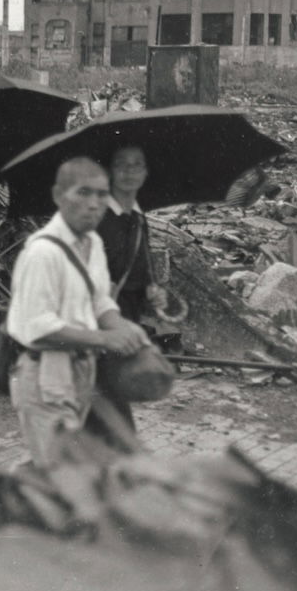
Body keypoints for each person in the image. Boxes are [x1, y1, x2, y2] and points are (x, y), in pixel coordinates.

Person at [5, 157, 151, 467]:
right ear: (58, 195)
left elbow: (98, 300)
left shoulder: (92, 243)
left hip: (81, 372)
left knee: (61, 467)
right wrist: (104, 339)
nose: (94, 204)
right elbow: (38, 328)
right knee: (62, 472)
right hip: (45, 376)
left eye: (101, 194)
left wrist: (120, 325)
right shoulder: (42, 252)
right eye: (83, 193)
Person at [86, 145, 169, 439]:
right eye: (122, 164)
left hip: (127, 312)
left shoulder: (137, 216)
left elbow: (141, 266)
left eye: (137, 165)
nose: (129, 172)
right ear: (110, 172)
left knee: (108, 390)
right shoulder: (97, 217)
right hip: (99, 316)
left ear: (146, 173)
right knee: (108, 392)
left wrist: (152, 290)